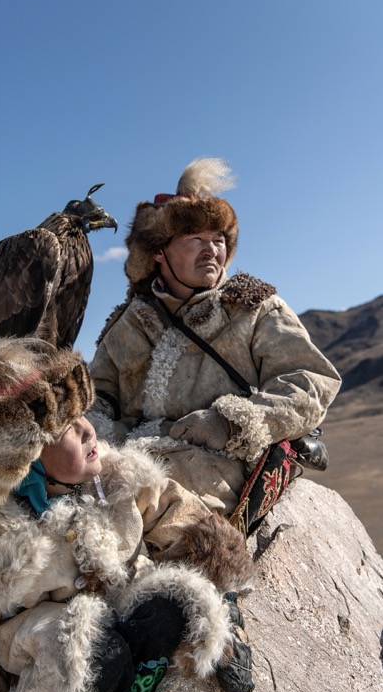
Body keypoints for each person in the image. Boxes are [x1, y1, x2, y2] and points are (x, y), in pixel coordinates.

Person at [0, 336, 256, 692]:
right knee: (87, 653)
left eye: (82, 413)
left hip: (120, 603)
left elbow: (173, 510)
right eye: (65, 426)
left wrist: (223, 588)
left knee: (173, 606)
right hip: (49, 637)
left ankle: (135, 691)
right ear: (22, 458)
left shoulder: (118, 479)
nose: (87, 429)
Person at [88, 157, 342, 519]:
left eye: (219, 239)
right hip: (134, 458)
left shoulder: (252, 305)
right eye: (196, 239)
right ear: (159, 252)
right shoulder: (129, 324)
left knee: (154, 517)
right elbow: (98, 397)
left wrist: (230, 423)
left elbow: (312, 381)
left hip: (223, 469)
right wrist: (97, 437)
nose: (213, 250)